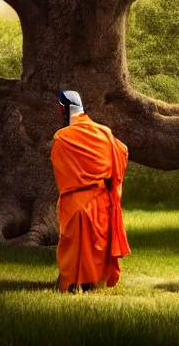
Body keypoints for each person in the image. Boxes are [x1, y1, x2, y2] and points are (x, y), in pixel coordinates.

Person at [51, 90, 130, 294]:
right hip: (100, 197)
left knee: (73, 244)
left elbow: (62, 169)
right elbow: (121, 152)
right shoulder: (104, 132)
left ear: (63, 108)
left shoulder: (62, 137)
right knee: (96, 243)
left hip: (75, 199)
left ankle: (70, 284)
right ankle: (90, 283)